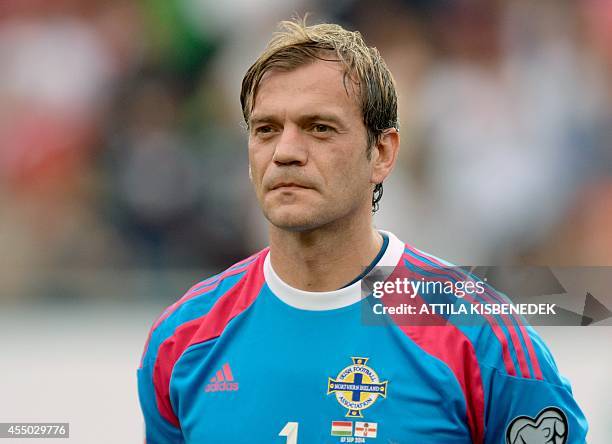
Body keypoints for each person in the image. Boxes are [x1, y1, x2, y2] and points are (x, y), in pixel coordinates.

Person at [137, 19, 588, 443]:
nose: (286, 152)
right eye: (266, 129)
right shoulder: (183, 341)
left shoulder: (479, 333)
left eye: (319, 128)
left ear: (382, 152)